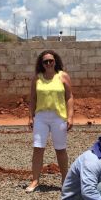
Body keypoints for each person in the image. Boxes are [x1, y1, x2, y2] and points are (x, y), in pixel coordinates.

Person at [26, 50, 74, 192]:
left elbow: (69, 97)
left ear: (55, 61)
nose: (48, 63)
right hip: (41, 117)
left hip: (58, 117)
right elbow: (33, 98)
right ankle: (35, 180)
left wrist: (70, 116)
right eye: (45, 61)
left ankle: (65, 181)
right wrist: (30, 116)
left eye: (51, 61)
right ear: (41, 63)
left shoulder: (63, 76)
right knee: (38, 148)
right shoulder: (37, 78)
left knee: (60, 149)